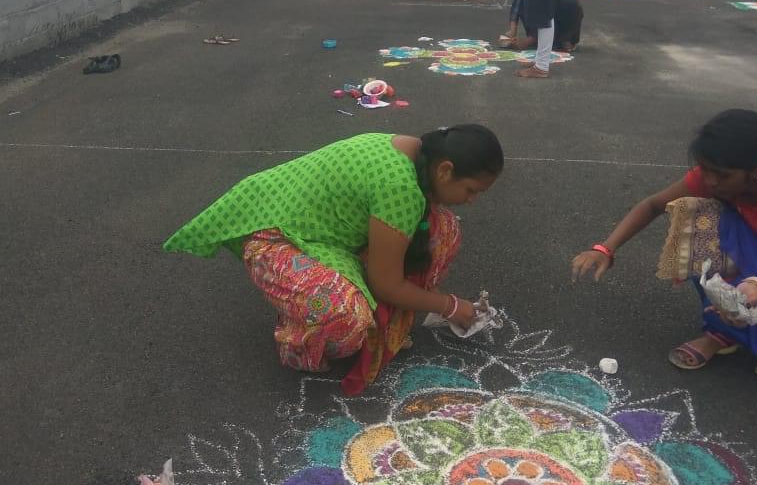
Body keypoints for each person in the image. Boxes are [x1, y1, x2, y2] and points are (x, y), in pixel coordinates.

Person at [164, 127, 504, 394]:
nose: (471, 200)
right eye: (471, 190)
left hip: (322, 234)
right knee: (345, 317)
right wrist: (449, 306)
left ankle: (385, 319)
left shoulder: (418, 151)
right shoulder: (399, 186)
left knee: (443, 231)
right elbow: (386, 285)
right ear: (445, 170)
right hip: (279, 239)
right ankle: (297, 341)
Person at [571, 109, 757, 381]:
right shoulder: (713, 179)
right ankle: (724, 330)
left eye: (722, 175)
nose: (710, 181)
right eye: (705, 169)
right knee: (696, 219)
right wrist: (605, 249)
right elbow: (653, 206)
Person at [502, 0, 583, 52]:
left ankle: (565, 39)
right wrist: (513, 30)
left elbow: (548, 13)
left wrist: (529, 41)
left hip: (559, 17)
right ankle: (537, 37)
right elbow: (518, 2)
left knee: (568, 3)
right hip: (544, 15)